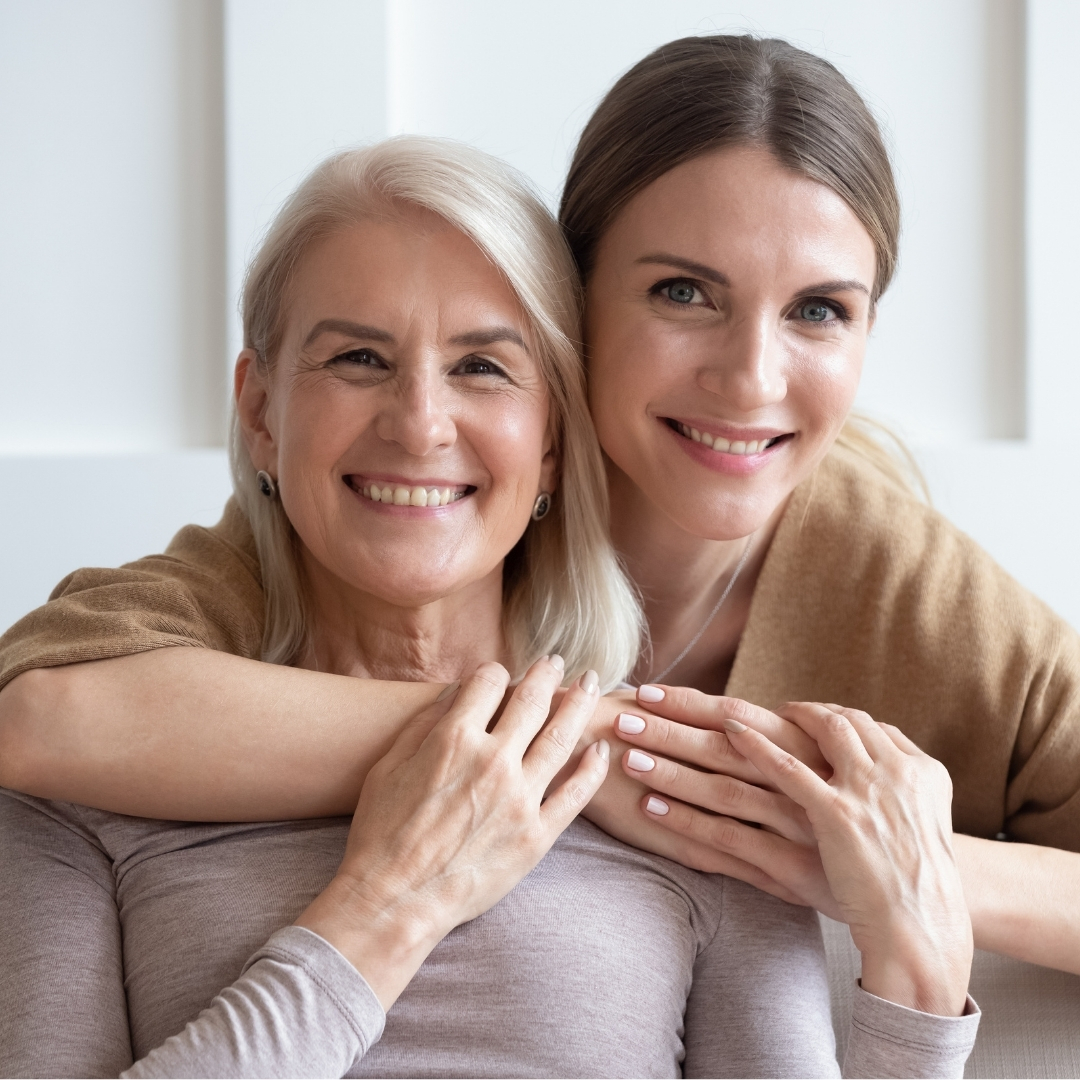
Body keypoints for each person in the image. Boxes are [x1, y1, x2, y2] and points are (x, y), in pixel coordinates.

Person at [0, 136, 979, 1078]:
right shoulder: (88, 787)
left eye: (482, 367)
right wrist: (384, 913)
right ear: (260, 411)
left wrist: (923, 992)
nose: (420, 424)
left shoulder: (671, 806)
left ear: (554, 437)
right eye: (358, 359)